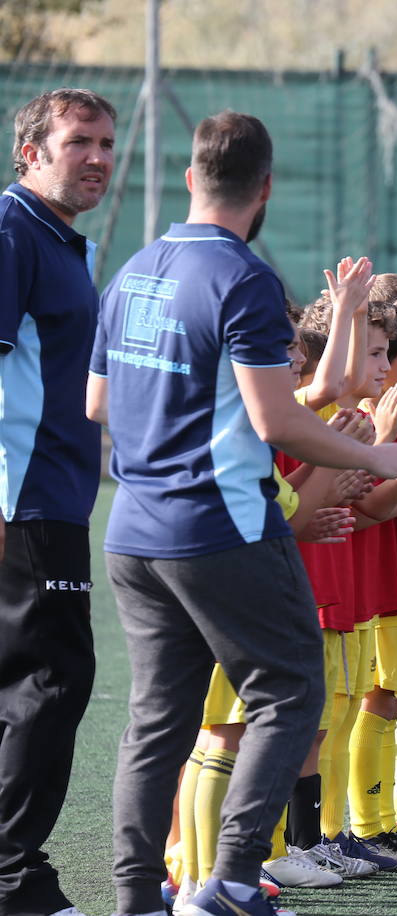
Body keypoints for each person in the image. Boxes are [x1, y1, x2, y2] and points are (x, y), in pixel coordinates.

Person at [89, 110, 397, 916]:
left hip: (133, 532)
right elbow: (277, 420)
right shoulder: (242, 279)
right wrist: (381, 454)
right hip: (218, 527)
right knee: (289, 692)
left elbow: (97, 401)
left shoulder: (135, 268)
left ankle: (138, 897)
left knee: (157, 720)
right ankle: (235, 880)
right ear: (266, 188)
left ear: (188, 180)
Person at [0, 86, 115, 916]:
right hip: (22, 498)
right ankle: (15, 881)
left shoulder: (61, 241)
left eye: (106, 143)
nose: (99, 158)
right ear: (31, 150)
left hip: (56, 496)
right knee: (51, 680)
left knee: (36, 683)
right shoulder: (13, 229)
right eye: (79, 142)